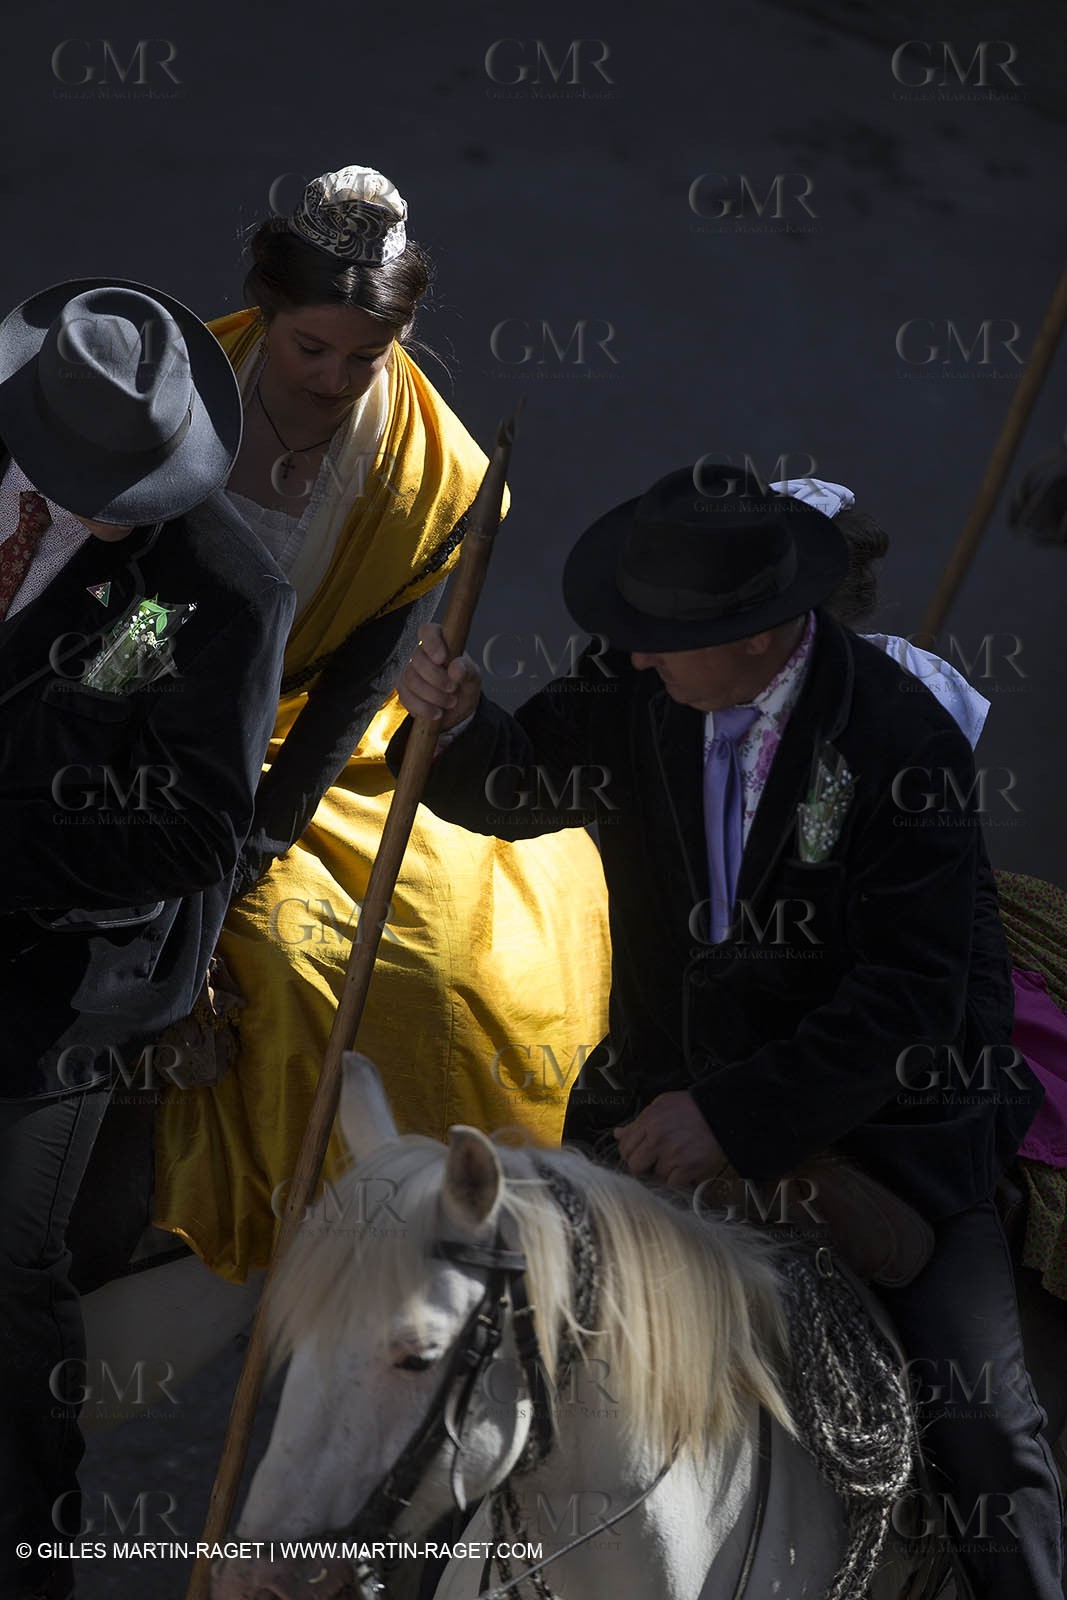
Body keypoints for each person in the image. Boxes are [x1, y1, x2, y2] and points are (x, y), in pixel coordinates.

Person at [394, 463, 1064, 1599]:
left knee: (988, 1431)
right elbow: (517, 784)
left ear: (761, 634)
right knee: (482, 1348)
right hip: (651, 1110)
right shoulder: (637, 679)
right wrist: (459, 724)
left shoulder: (901, 743)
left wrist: (734, 1116)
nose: (638, 655)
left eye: (662, 638)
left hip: (885, 1136)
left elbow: (907, 1000)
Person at [152, 165, 611, 1283]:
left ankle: (326, 1253)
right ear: (262, 308)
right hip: (132, 703)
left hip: (297, 745)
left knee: (313, 964)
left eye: (367, 358)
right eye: (311, 350)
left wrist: (249, 852)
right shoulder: (170, 390)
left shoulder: (435, 475)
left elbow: (358, 686)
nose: (336, 380)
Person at [0, 279, 294, 1600]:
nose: (122, 514)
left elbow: (189, 837)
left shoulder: (213, 588)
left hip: (56, 979)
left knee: (7, 1273)